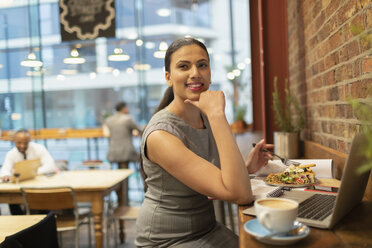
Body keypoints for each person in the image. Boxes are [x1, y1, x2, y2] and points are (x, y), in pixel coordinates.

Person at [135, 38, 273, 247]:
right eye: (183, 66)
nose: (195, 73)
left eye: (202, 65)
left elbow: (217, 182)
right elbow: (241, 195)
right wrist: (218, 115)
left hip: (206, 227)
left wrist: (247, 169)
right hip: (168, 239)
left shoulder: (205, 117)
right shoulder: (160, 135)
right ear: (168, 77)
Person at [0, 129, 58, 215]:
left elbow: (50, 165)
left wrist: (32, 172)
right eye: (19, 143)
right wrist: (6, 175)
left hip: (38, 186)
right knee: (11, 199)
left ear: (29, 141)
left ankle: (44, 220)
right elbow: (5, 170)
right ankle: (19, 222)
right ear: (14, 141)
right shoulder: (11, 154)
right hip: (19, 188)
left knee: (43, 206)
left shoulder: (39, 149)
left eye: (25, 143)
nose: (22, 146)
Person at [103, 101, 142, 205]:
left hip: (112, 152)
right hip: (126, 152)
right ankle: (124, 202)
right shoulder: (127, 119)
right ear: (124, 109)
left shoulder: (109, 120)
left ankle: (118, 199)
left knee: (117, 176)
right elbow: (139, 130)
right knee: (140, 163)